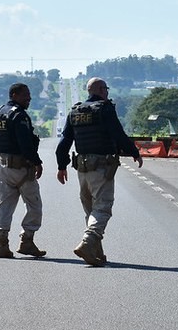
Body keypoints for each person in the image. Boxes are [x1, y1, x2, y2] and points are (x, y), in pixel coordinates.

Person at [55, 77, 143, 266]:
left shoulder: (75, 111)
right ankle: (88, 243)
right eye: (106, 89)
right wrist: (134, 152)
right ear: (101, 90)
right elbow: (118, 133)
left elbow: (64, 142)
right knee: (102, 208)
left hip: (82, 168)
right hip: (102, 166)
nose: (107, 92)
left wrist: (61, 166)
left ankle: (96, 253)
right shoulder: (105, 108)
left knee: (91, 211)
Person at [0, 82, 46, 259]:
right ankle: (27, 241)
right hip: (21, 168)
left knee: (3, 206)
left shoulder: (0, 113)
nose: (29, 98)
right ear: (14, 95)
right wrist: (37, 162)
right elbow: (25, 144)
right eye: (25, 95)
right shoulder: (19, 115)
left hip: (2, 167)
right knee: (34, 205)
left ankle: (2, 245)